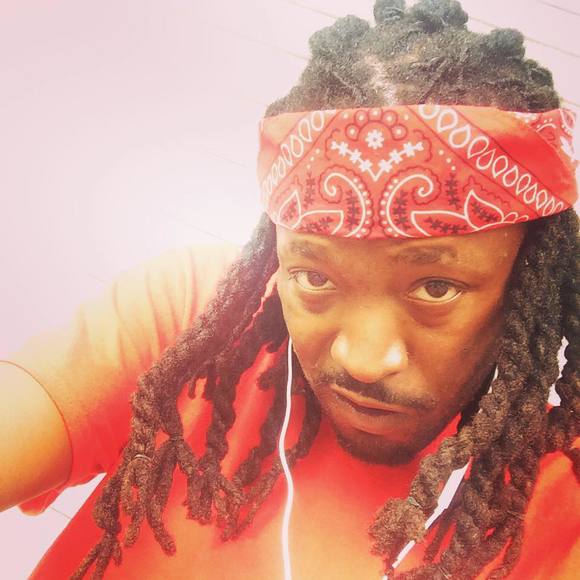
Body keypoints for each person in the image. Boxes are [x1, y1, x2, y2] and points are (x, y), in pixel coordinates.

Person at [1, 0, 578, 578]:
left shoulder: (561, 496)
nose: (364, 360)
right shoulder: (193, 322)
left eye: (436, 287)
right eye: (314, 277)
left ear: (525, 276)